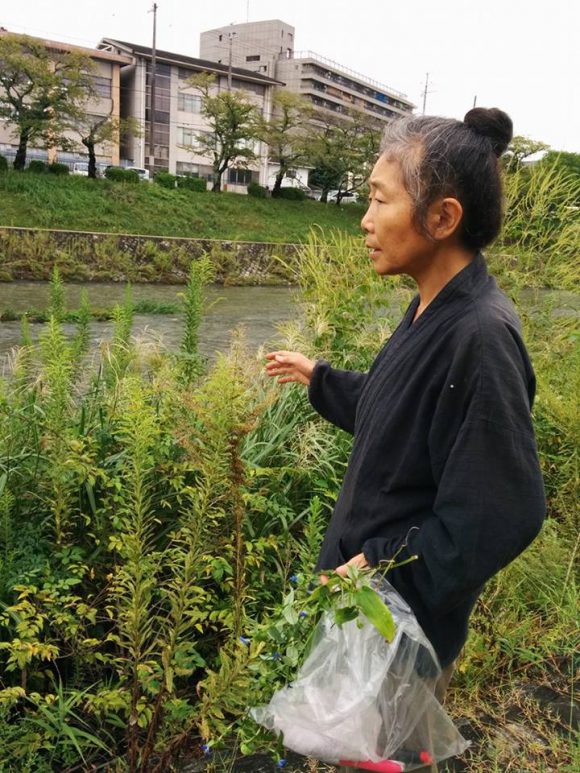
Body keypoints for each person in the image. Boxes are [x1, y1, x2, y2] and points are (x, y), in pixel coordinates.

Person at [265, 107, 546, 771]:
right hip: (370, 615)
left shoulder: (479, 337)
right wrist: (320, 379)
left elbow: (504, 510)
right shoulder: (432, 305)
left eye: (378, 199)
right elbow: (394, 410)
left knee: (387, 759)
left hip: (399, 634)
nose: (364, 219)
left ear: (441, 218)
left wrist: (383, 563)